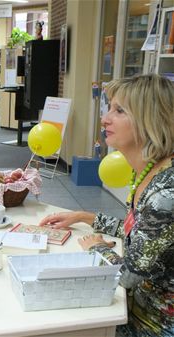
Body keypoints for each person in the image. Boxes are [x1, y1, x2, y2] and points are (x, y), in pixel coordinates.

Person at [39, 74, 174, 337]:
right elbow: (138, 234)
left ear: (152, 119)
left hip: (152, 325)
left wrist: (97, 246)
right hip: (135, 307)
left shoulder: (165, 194)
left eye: (119, 110)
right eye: (109, 108)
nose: (105, 119)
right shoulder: (148, 171)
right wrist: (83, 216)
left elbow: (125, 275)